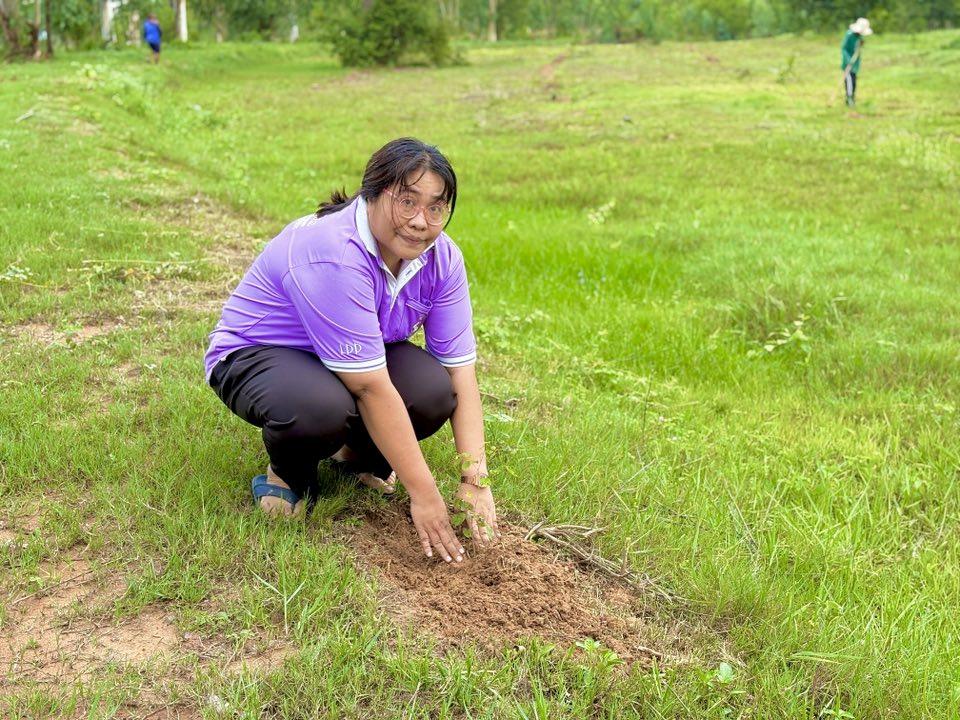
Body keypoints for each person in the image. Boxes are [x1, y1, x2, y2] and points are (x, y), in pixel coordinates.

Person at [204, 137, 501, 564]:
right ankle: (290, 474)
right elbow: (369, 388)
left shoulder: (442, 259)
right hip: (261, 354)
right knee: (319, 407)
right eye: (407, 202)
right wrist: (426, 494)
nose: (421, 221)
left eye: (436, 208)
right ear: (373, 193)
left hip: (352, 357)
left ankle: (355, 454)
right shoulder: (333, 253)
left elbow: (460, 373)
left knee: (432, 390)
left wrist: (475, 478)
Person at [841, 17, 872, 107]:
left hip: (855, 63)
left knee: (854, 81)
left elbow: (857, 48)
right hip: (847, 63)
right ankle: (849, 98)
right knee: (849, 81)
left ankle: (852, 97)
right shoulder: (849, 35)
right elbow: (844, 48)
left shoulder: (859, 36)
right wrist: (848, 60)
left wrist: (861, 44)